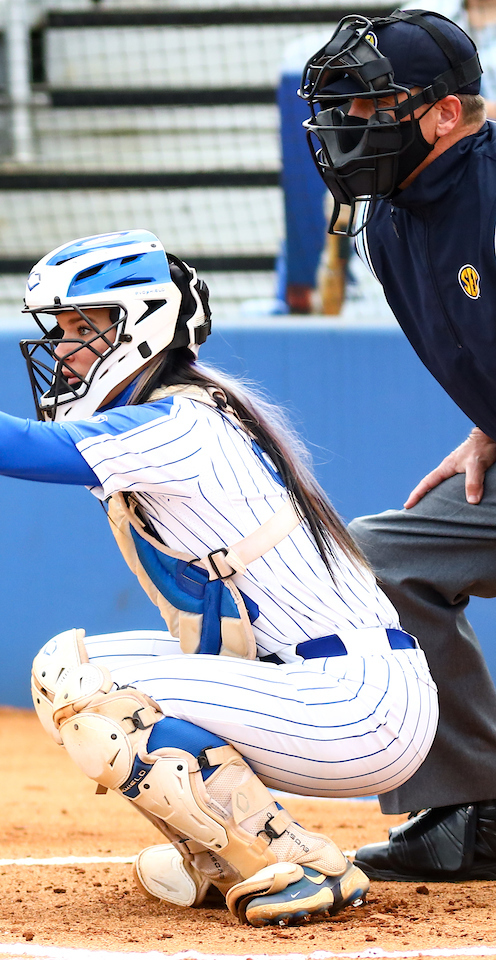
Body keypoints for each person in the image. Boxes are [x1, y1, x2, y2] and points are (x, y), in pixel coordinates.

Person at [0, 229, 438, 925]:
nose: (63, 348)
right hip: (319, 687)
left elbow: (14, 447)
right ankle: (223, 856)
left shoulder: (180, 423)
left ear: (141, 327)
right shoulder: (171, 413)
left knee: (93, 692)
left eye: (84, 328)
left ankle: (297, 858)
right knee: (68, 669)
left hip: (355, 704)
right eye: (62, 329)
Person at [301, 8, 496, 882]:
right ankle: (477, 808)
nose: (348, 125)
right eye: (342, 105)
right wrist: (487, 425)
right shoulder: (389, 222)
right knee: (381, 559)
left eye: (372, 106)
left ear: (447, 113)